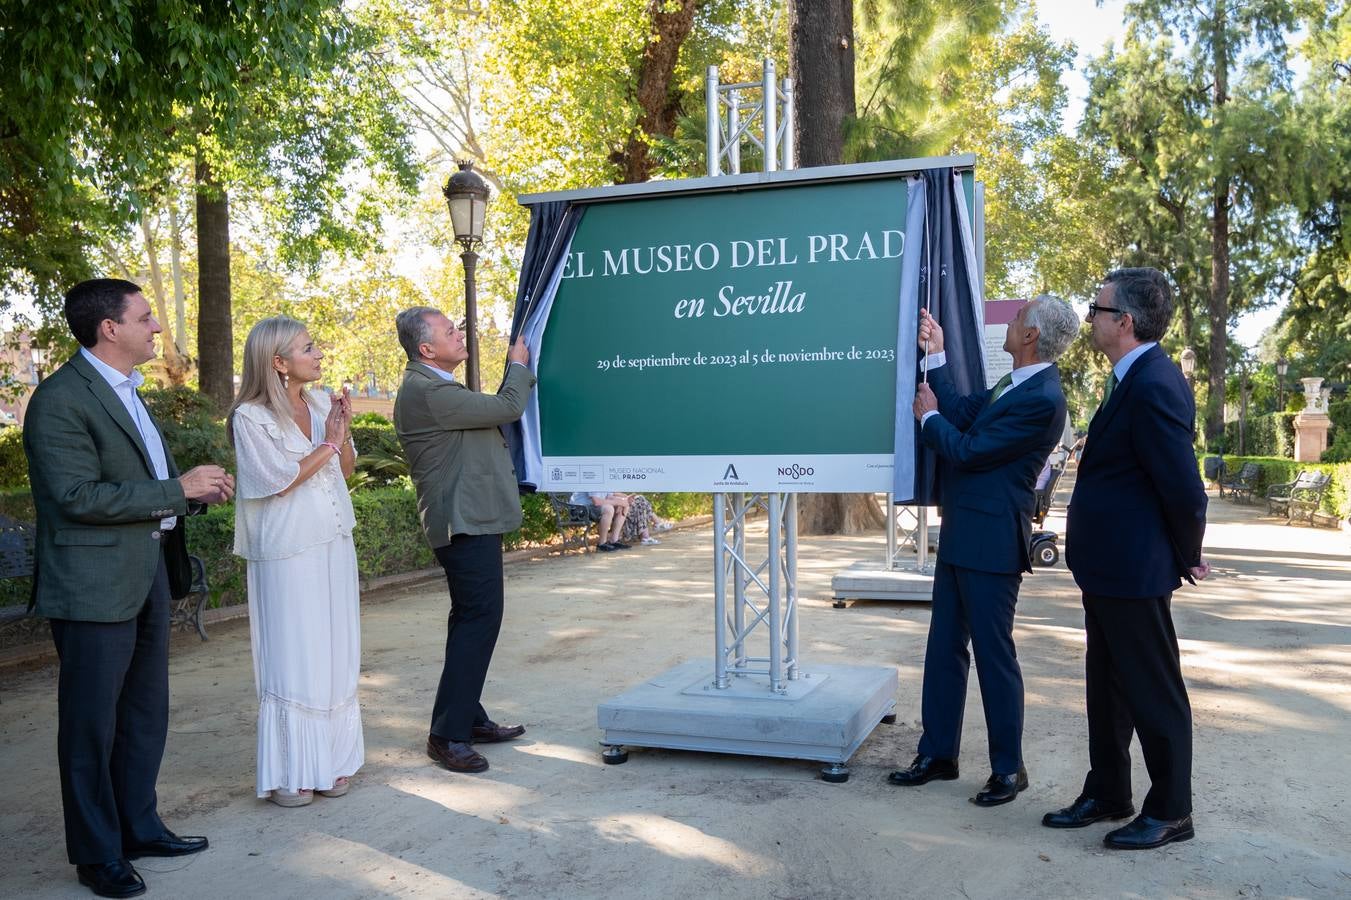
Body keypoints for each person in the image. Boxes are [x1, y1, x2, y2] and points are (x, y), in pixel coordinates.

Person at [24, 279, 234, 898]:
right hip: (91, 586)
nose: (157, 327)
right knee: (91, 725)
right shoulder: (60, 398)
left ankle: (138, 826)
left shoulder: (129, 391)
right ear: (109, 328)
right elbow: (76, 496)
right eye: (145, 318)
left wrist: (188, 495)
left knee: (144, 712)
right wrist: (177, 489)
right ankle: (96, 854)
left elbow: (137, 482)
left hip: (146, 576)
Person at [888, 295, 1077, 807]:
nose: (1010, 322)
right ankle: (938, 755)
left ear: (1032, 335)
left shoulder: (1043, 398)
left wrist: (928, 419)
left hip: (992, 544)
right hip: (962, 534)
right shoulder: (1015, 383)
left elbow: (969, 451)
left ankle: (1009, 769)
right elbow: (964, 412)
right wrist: (938, 353)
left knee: (995, 657)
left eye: (1017, 318)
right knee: (943, 649)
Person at [1044, 267, 1209, 850]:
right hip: (1109, 568)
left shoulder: (1155, 382)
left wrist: (1188, 553)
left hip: (1136, 570)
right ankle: (1109, 791)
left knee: (1154, 691)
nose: (1090, 318)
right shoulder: (1129, 378)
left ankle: (1171, 811)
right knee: (1108, 689)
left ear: (1126, 322)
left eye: (1098, 309)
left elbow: (1184, 489)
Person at [227, 316, 364, 809]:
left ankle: (331, 759)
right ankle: (293, 769)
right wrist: (328, 442)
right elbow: (278, 481)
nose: (319, 353)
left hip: (333, 539)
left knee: (335, 647)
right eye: (308, 348)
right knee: (296, 650)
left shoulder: (323, 403)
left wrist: (342, 434)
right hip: (286, 549)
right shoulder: (250, 417)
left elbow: (346, 469)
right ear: (278, 362)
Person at [393, 308, 534, 774]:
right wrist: (518, 365)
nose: (460, 333)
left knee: (471, 621)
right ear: (426, 348)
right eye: (450, 330)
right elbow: (507, 407)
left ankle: (468, 720)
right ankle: (447, 736)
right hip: (463, 523)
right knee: (478, 620)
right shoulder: (429, 391)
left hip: (470, 521)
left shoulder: (436, 386)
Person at [568, 491, 633, 551]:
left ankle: (614, 540)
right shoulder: (594, 482)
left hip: (590, 507)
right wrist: (620, 502)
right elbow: (596, 501)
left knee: (624, 505)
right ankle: (602, 544)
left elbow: (609, 497)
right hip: (578, 510)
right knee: (608, 509)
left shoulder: (604, 483)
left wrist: (624, 501)